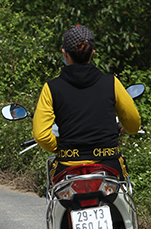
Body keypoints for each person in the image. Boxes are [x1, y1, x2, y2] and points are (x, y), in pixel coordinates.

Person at [32, 25, 141, 181]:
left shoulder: (51, 88)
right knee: (124, 199)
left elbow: (40, 135)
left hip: (68, 167)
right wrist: (127, 129)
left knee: (56, 200)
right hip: (109, 165)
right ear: (92, 53)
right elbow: (133, 123)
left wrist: (62, 148)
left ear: (65, 53)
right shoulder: (111, 83)